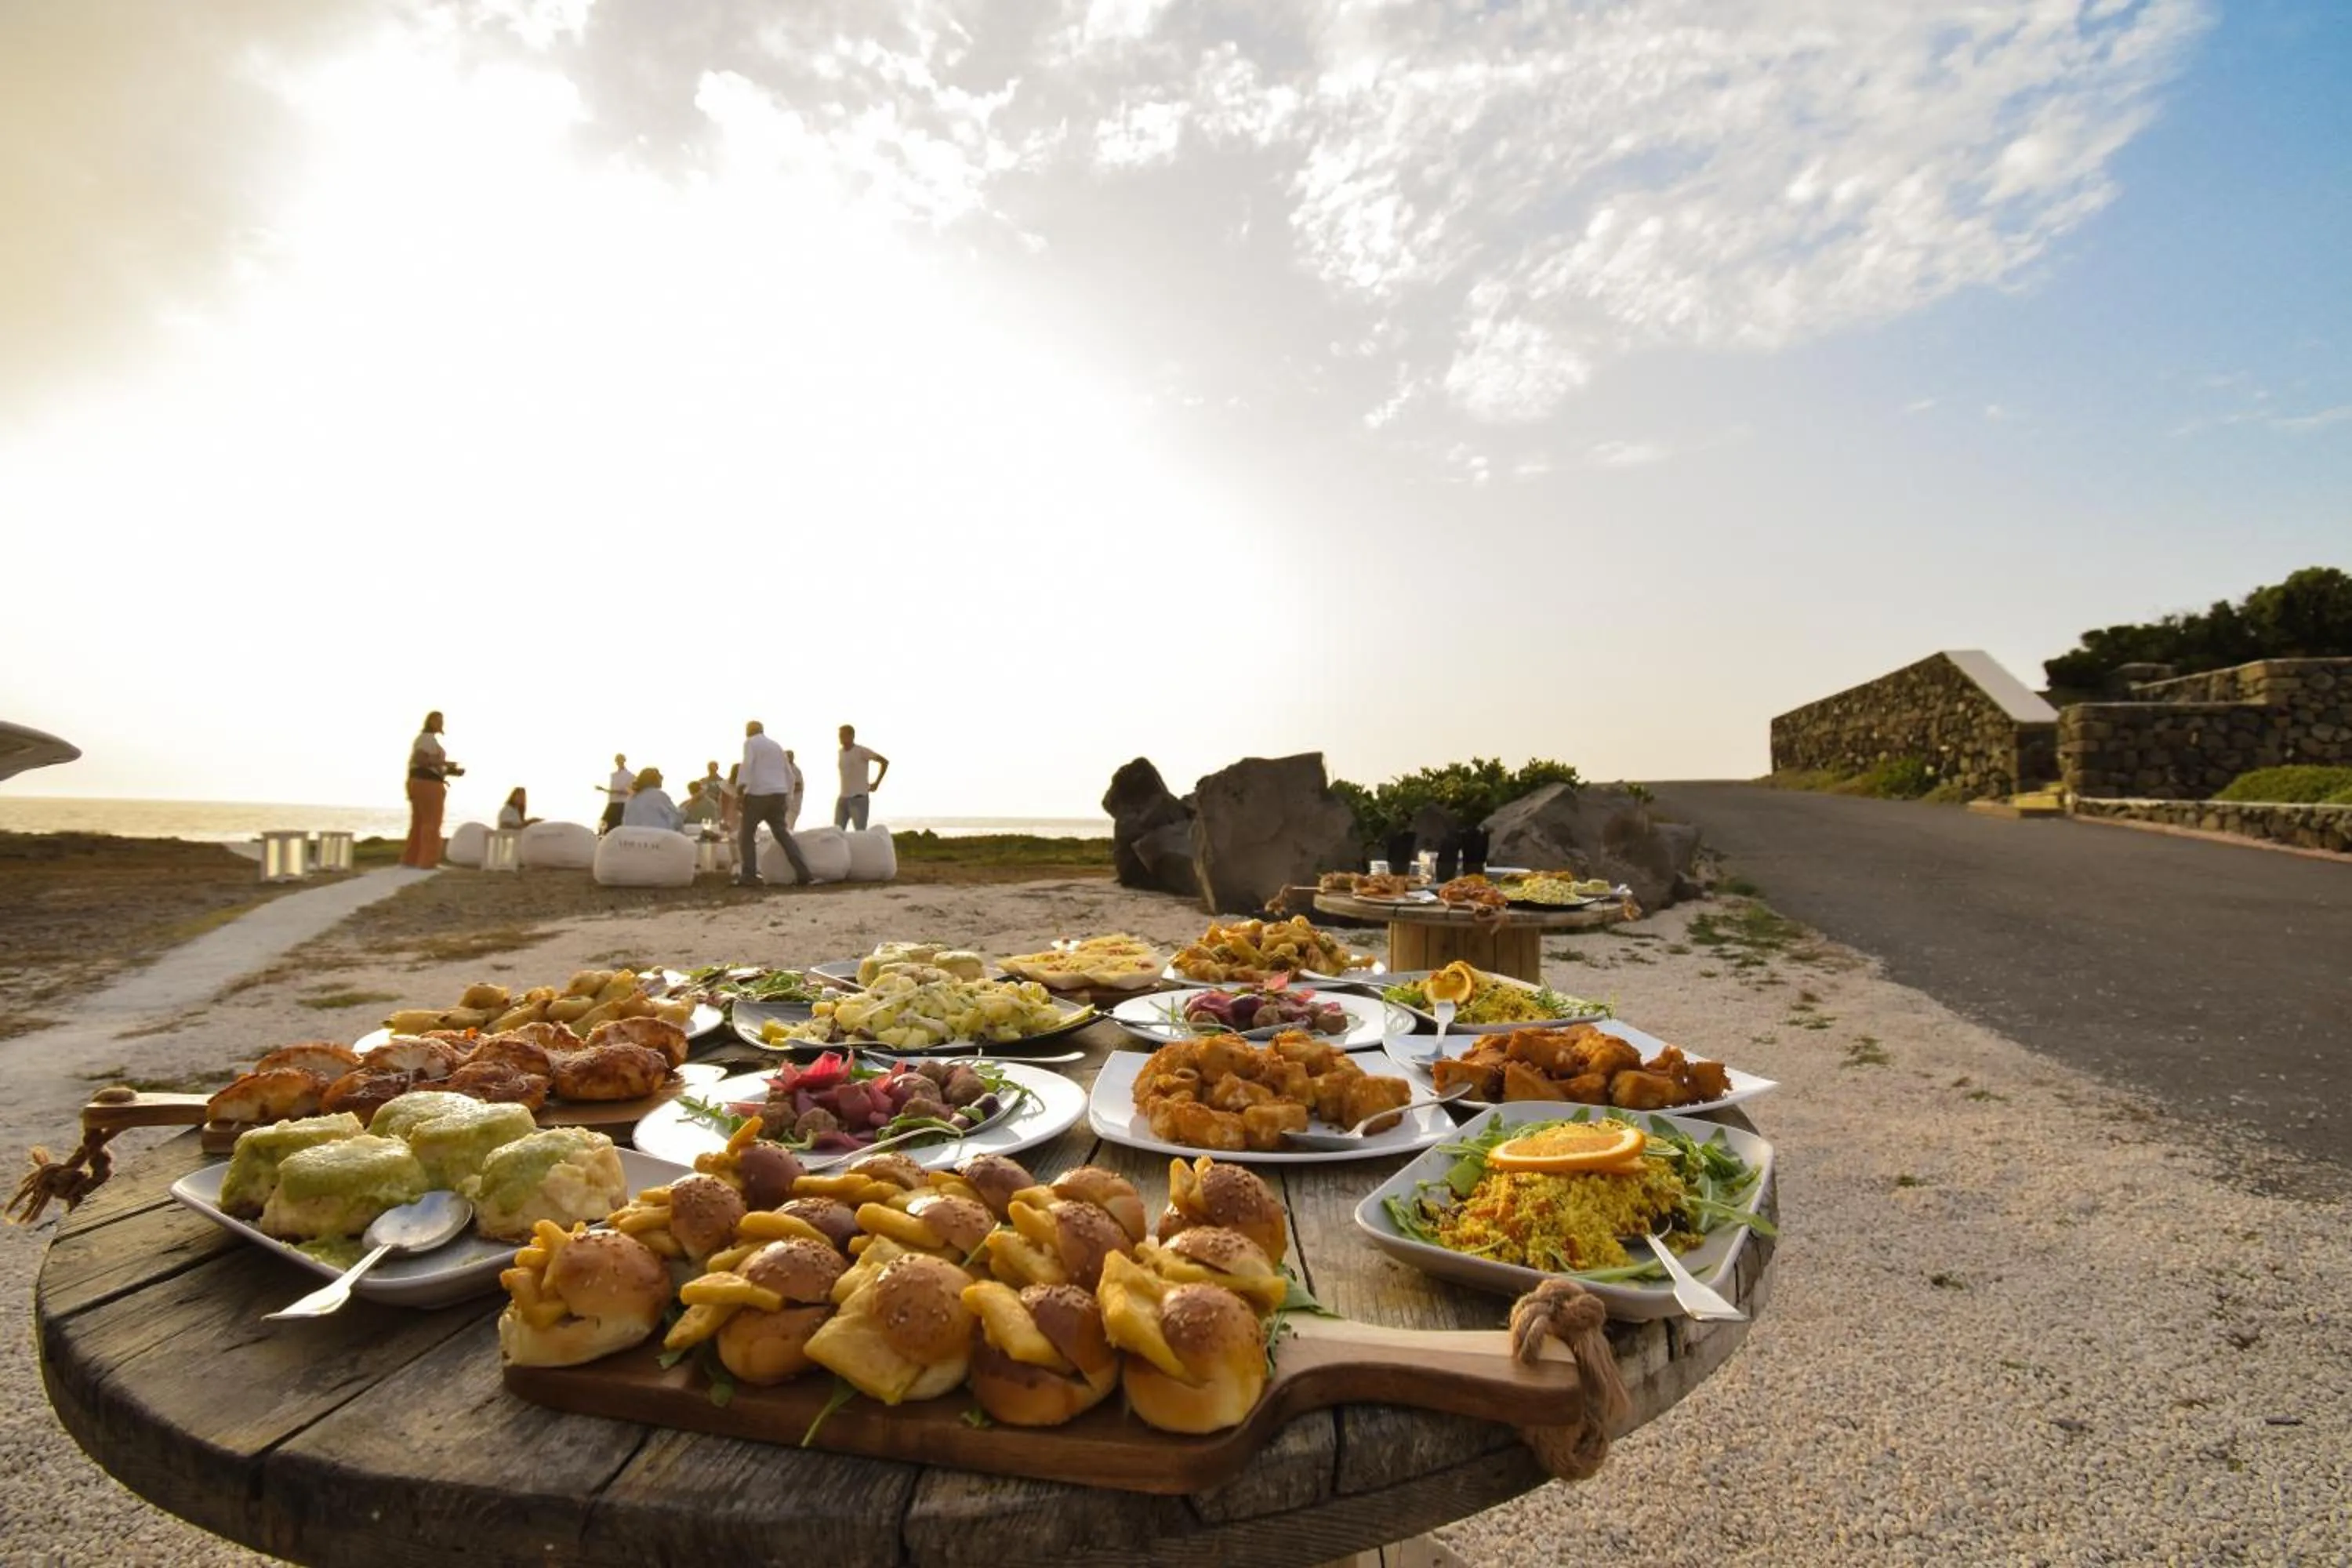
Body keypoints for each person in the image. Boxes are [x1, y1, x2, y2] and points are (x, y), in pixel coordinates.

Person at [736, 720, 813, 887]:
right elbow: (789, 775)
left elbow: (747, 766)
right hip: (778, 795)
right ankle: (803, 872)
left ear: (749, 732)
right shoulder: (777, 747)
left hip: (757, 795)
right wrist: (787, 798)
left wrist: (739, 791)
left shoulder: (750, 743)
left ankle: (749, 875)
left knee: (746, 836)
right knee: (782, 834)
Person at [401, 711, 462, 869]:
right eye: (438, 720)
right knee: (431, 822)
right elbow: (420, 760)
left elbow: (429, 765)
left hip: (420, 782)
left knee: (419, 822)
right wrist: (444, 763)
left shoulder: (426, 740)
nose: (441, 724)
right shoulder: (425, 740)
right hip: (427, 784)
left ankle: (412, 859)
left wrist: (449, 770)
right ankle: (427, 860)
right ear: (430, 722)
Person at [833, 724, 888, 831]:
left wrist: (876, 783)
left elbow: (884, 762)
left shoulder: (861, 751)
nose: (840, 738)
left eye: (843, 735)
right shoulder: (840, 753)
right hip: (843, 798)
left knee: (860, 832)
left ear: (851, 736)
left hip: (859, 799)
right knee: (837, 832)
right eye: (839, 736)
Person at [621, 767, 682, 833]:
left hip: (633, 839)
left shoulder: (631, 799)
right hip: (658, 839)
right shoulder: (659, 795)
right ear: (655, 779)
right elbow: (676, 820)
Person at [597, 753, 630, 835]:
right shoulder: (613, 775)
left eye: (620, 760)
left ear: (624, 761)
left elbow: (627, 792)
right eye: (617, 760)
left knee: (618, 827)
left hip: (622, 804)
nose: (619, 762)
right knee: (605, 827)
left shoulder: (629, 775)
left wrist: (605, 790)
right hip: (612, 803)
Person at [782, 748, 804, 831]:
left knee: (788, 828)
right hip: (786, 806)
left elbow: (799, 787)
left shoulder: (795, 771)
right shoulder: (786, 770)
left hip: (793, 806)